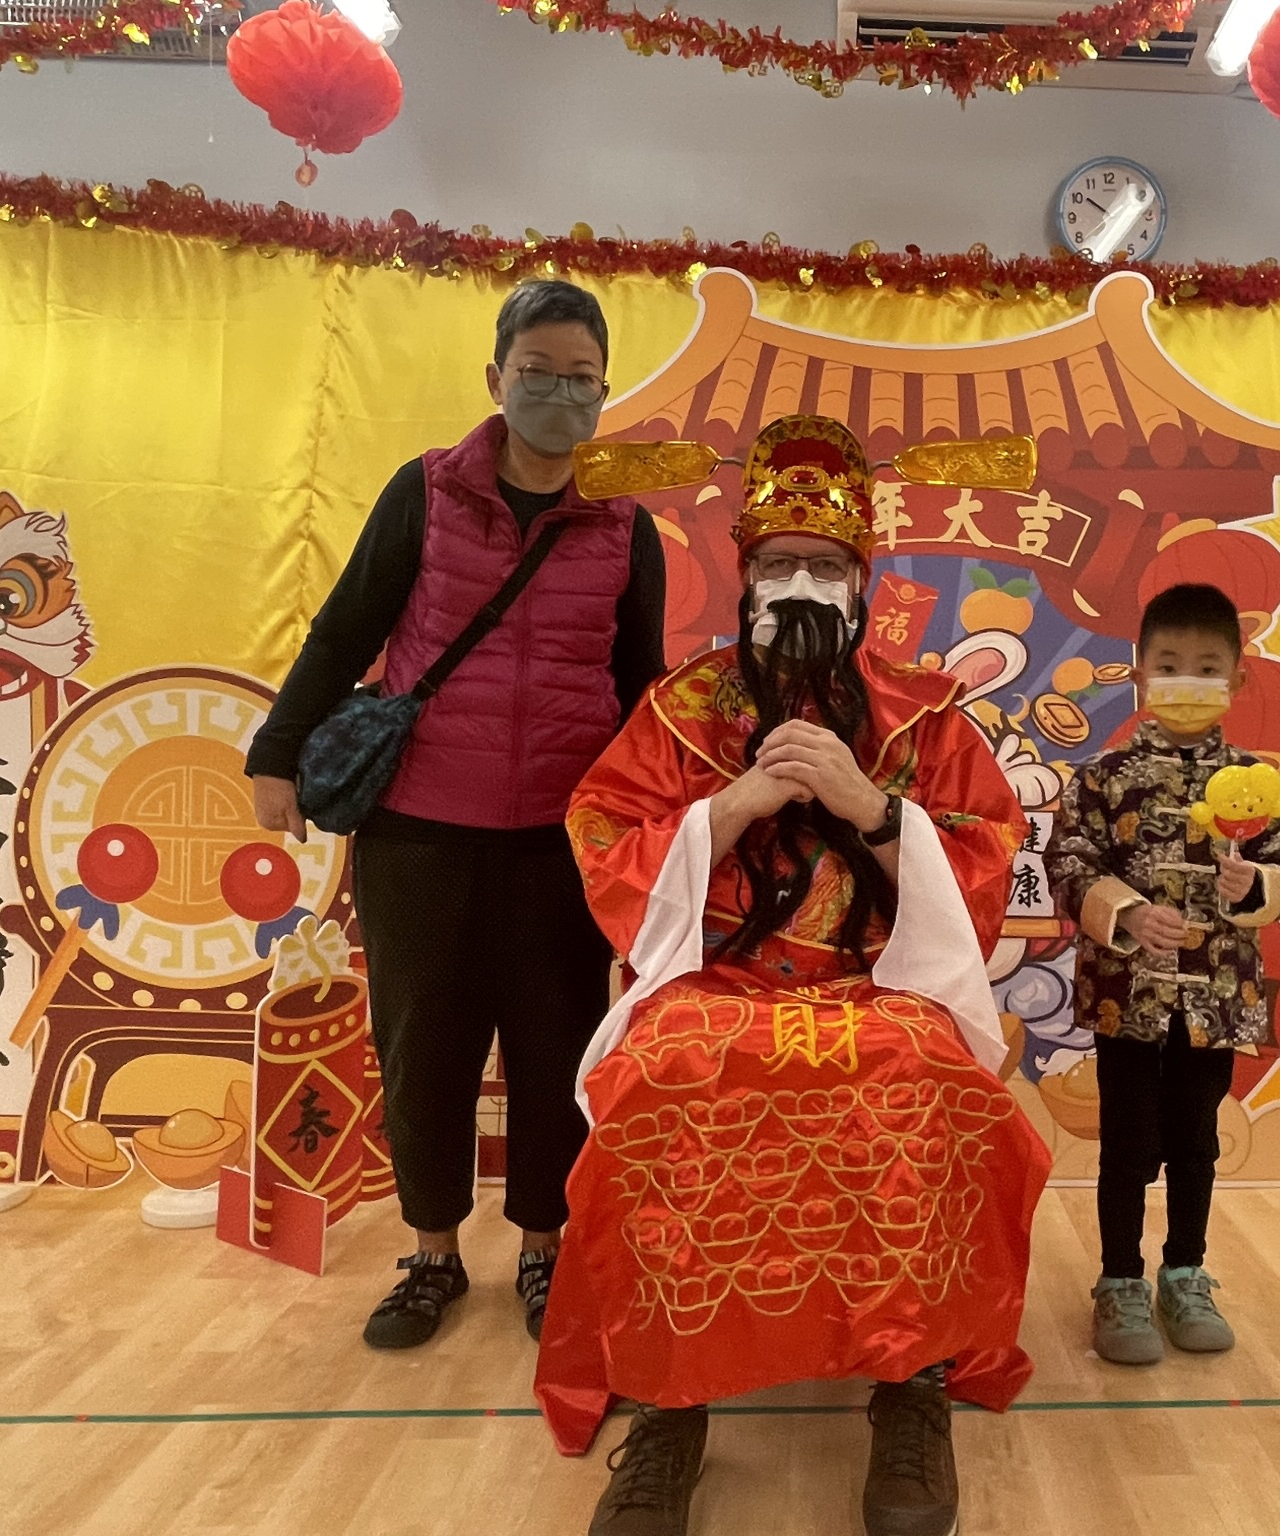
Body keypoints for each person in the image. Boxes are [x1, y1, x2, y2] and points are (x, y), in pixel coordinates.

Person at [535, 415, 1051, 1536]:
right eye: (778, 564)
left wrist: (875, 810)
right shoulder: (682, 710)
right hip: (719, 984)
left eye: (824, 565)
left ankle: (909, 1384)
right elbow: (600, 830)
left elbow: (990, 850)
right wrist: (728, 810)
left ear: (863, 582)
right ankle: (669, 1402)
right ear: (745, 578)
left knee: (922, 1078)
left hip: (881, 985)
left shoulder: (925, 713)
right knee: (664, 1076)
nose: (801, 586)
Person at [244, 280, 666, 1349]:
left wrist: (662, 821)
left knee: (554, 1053)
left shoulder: (627, 527)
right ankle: (431, 1254)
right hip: (419, 831)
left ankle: (543, 1251)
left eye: (580, 380)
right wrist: (276, 753)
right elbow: (344, 629)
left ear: (604, 392)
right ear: (495, 378)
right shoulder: (426, 493)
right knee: (423, 1048)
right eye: (537, 374)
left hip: (561, 844)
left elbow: (640, 686)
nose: (559, 396)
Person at [1046, 583, 1280, 1366]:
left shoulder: (1257, 784)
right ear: (1139, 673)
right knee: (1126, 1142)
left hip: (1220, 994)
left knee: (1198, 1141)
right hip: (1126, 995)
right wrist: (1126, 913)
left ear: (1237, 679)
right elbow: (1068, 863)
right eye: (1167, 666)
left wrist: (1256, 884)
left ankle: (1186, 1273)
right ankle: (1120, 1281)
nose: (1185, 682)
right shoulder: (1102, 777)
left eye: (1205, 667)